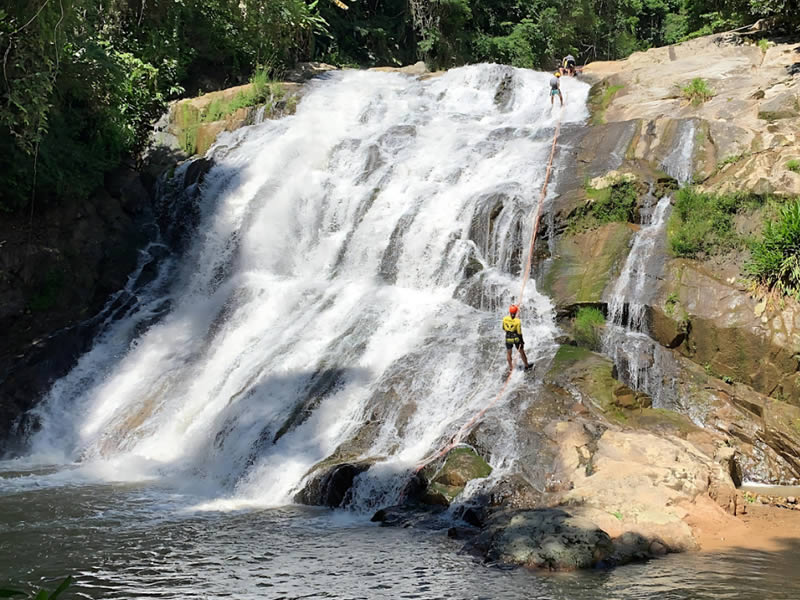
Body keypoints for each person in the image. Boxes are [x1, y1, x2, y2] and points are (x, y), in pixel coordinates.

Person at [503, 304, 532, 371]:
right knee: (521, 352)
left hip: (508, 338)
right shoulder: (517, 321)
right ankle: (527, 366)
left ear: (509, 312)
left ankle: (511, 368)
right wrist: (522, 341)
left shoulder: (505, 319)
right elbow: (519, 333)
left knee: (509, 353)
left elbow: (504, 328)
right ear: (516, 312)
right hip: (516, 338)